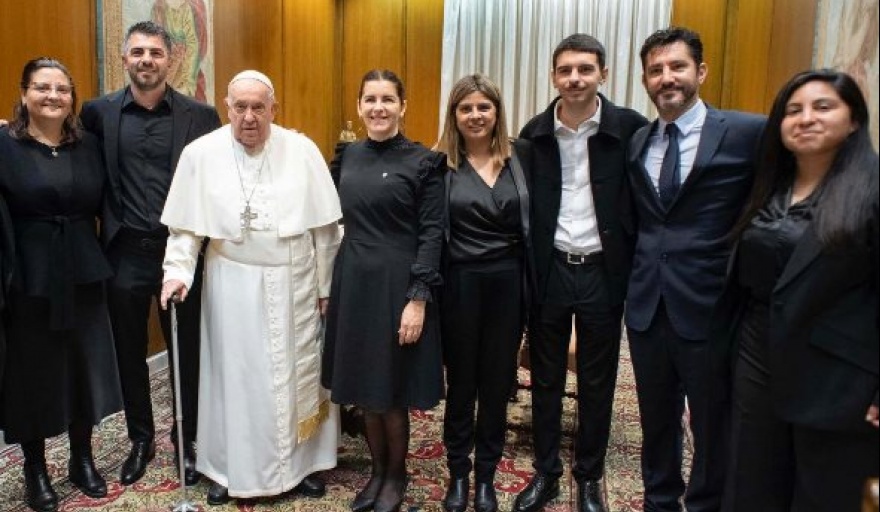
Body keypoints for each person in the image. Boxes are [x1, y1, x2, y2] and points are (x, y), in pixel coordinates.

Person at [160, 69, 342, 505]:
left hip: (293, 280)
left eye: (258, 107)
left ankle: (303, 467)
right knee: (234, 379)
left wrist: (325, 287)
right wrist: (177, 272)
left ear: (273, 109)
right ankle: (228, 469)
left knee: (298, 378)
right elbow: (185, 231)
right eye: (240, 106)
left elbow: (325, 230)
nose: (249, 117)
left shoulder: (301, 150)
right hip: (231, 286)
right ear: (227, 107)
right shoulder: (200, 155)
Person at [713, 69, 878, 512]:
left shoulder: (872, 191)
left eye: (823, 107)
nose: (806, 118)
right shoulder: (771, 184)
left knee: (819, 491)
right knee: (751, 480)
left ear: (854, 120)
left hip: (835, 374)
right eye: (793, 110)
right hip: (756, 353)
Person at [624, 27, 766, 512]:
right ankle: (659, 501)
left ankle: (706, 503)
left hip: (710, 305)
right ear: (645, 79)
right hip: (646, 306)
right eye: (656, 70)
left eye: (677, 67)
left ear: (700, 72)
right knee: (656, 421)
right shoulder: (639, 141)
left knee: (712, 421)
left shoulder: (747, 133)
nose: (668, 78)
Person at [79, 20, 221, 486]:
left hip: (181, 252)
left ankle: (189, 440)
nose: (146, 60)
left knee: (186, 350)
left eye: (155, 53)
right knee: (128, 352)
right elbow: (64, 147)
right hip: (124, 252)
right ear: (125, 58)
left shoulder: (201, 117)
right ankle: (141, 439)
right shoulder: (98, 114)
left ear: (171, 60)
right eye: (137, 52)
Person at [512, 34, 648, 512]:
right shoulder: (533, 134)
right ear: (554, 76)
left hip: (602, 270)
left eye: (585, 69)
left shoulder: (632, 128)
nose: (575, 79)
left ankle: (588, 475)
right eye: (566, 70)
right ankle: (546, 472)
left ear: (603, 75)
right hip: (549, 268)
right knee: (546, 376)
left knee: (597, 378)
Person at [0, 57, 123, 512]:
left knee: (81, 366)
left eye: (62, 89)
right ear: (24, 93)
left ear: (73, 98)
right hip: (28, 273)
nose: (52, 96)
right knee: (33, 374)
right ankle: (36, 468)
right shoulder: (3, 143)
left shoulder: (88, 144)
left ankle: (82, 458)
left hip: (83, 269)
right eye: (42, 88)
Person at [322, 69, 445, 512]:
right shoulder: (347, 156)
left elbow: (433, 234)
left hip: (398, 286)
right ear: (359, 106)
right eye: (370, 99)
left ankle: (396, 476)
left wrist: (418, 299)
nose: (378, 108)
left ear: (403, 105)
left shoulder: (423, 162)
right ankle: (375, 472)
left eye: (388, 99)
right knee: (364, 386)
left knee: (391, 391)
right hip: (354, 280)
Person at [433, 74, 532, 512]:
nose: (475, 115)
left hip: (509, 286)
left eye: (483, 107)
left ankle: (487, 477)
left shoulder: (521, 158)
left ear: (497, 112)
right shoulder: (438, 166)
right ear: (454, 115)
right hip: (459, 286)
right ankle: (459, 473)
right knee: (461, 386)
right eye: (466, 108)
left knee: (496, 385)